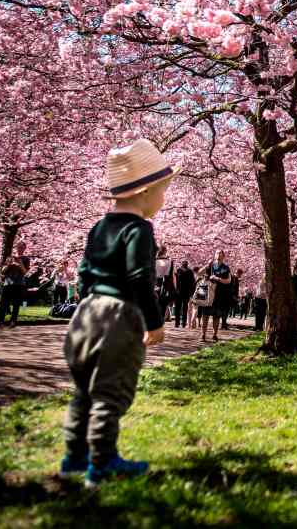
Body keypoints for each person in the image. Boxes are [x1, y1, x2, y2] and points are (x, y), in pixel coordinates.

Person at [60, 138, 172, 487]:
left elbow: (82, 272)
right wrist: (154, 322)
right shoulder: (139, 230)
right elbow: (140, 277)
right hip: (118, 316)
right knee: (110, 392)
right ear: (145, 192)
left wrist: (86, 303)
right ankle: (102, 463)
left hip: (86, 314)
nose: (163, 199)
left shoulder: (98, 228)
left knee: (83, 391)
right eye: (162, 191)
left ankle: (74, 457)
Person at [0, 254, 27, 327]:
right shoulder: (7, 264)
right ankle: (0, 321)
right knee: (3, 303)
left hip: (18, 285)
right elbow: (1, 272)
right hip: (7, 285)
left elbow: (25, 272)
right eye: (11, 259)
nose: (13, 260)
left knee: (16, 304)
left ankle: (13, 321)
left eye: (14, 259)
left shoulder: (21, 262)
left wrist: (20, 264)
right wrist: (9, 265)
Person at [208, 250, 232, 332]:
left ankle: (215, 333)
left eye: (220, 254)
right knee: (206, 314)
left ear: (223, 256)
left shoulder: (226, 268)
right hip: (210, 293)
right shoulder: (210, 266)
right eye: (217, 253)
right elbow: (199, 273)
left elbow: (228, 280)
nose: (218, 255)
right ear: (214, 255)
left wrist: (218, 278)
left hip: (220, 294)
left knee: (217, 315)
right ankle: (203, 334)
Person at [192, 266, 218, 341]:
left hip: (206, 301)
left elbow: (196, 289)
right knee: (213, 318)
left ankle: (204, 335)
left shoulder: (200, 280)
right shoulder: (213, 280)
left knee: (205, 318)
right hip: (211, 301)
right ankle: (212, 335)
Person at [172, 260, 195, 329]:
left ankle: (183, 323)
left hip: (186, 292)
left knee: (184, 308)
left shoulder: (190, 271)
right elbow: (174, 281)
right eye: (183, 263)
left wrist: (191, 292)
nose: (184, 264)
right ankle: (177, 322)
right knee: (178, 308)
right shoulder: (178, 270)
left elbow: (192, 282)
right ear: (182, 264)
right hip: (178, 292)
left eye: (185, 263)